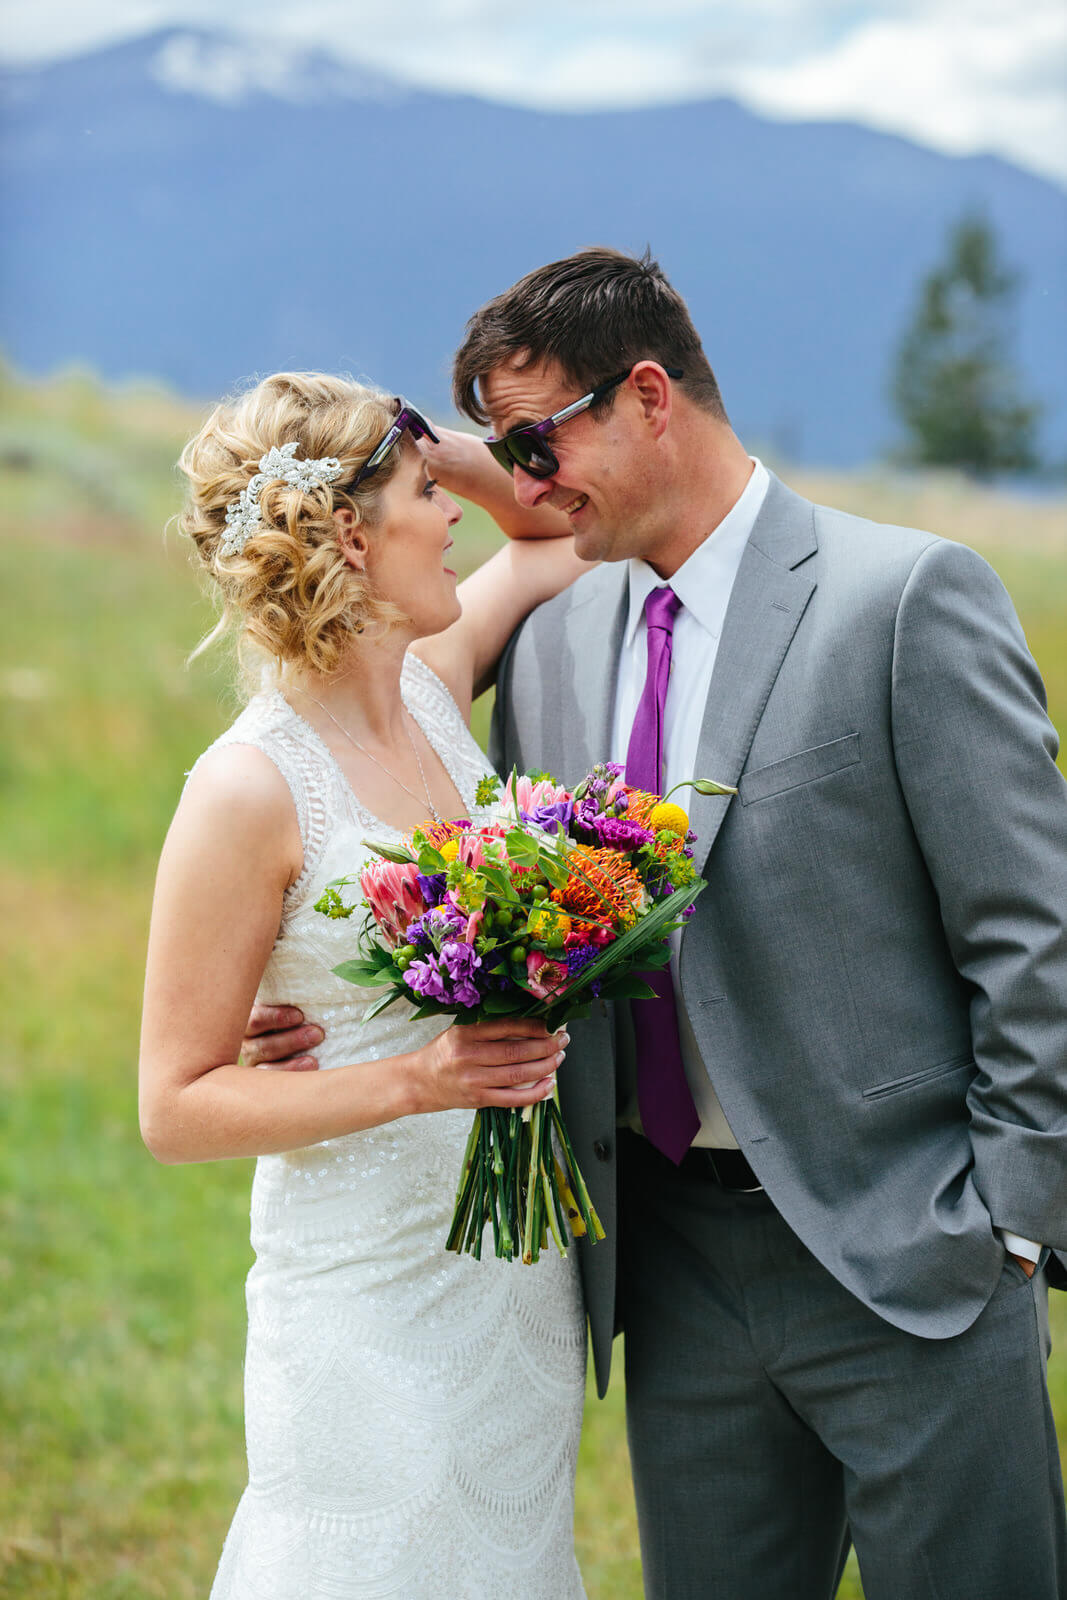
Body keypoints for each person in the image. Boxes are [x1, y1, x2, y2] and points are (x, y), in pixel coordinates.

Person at [249, 251, 1067, 1599]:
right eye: (498, 451)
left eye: (534, 440)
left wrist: (1009, 1231)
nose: (520, 484)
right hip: (667, 1274)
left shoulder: (904, 596)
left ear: (645, 395)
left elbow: (1030, 935)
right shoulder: (555, 639)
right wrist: (299, 1005)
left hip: (912, 1261)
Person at [138, 371, 595, 1599]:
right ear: (348, 533)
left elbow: (559, 523)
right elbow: (173, 1107)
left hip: (508, 1271)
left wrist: (427, 444)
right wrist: (415, 1079)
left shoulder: (436, 697)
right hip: (366, 1290)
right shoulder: (247, 788)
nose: (452, 509)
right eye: (420, 494)